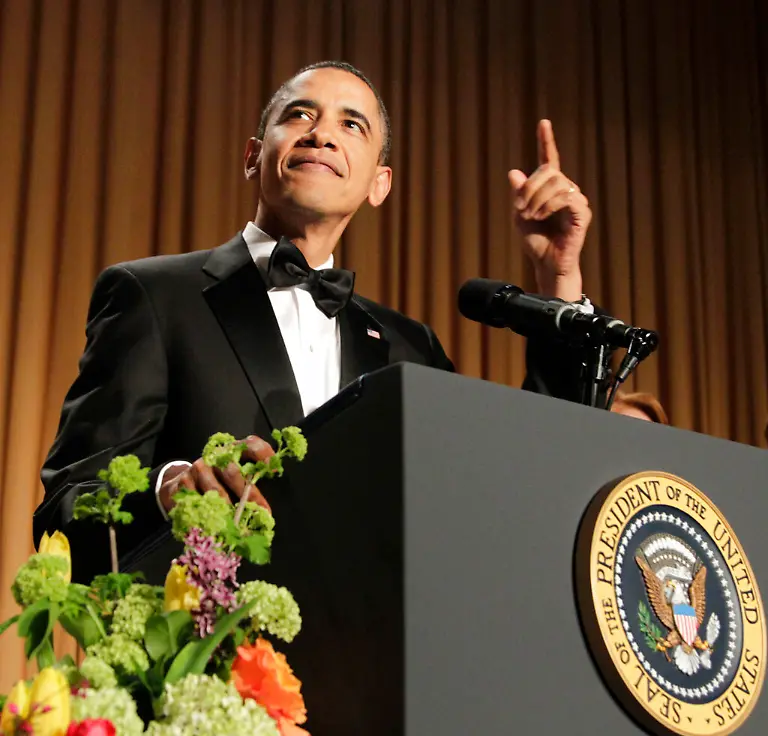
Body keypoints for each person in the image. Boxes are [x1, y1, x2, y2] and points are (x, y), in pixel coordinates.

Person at [34, 61, 595, 581]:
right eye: (300, 114)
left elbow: (516, 492)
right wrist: (165, 493)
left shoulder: (410, 348)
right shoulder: (154, 296)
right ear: (253, 155)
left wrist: (558, 278)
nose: (322, 133)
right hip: (205, 647)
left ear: (379, 185)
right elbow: (67, 509)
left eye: (351, 125)